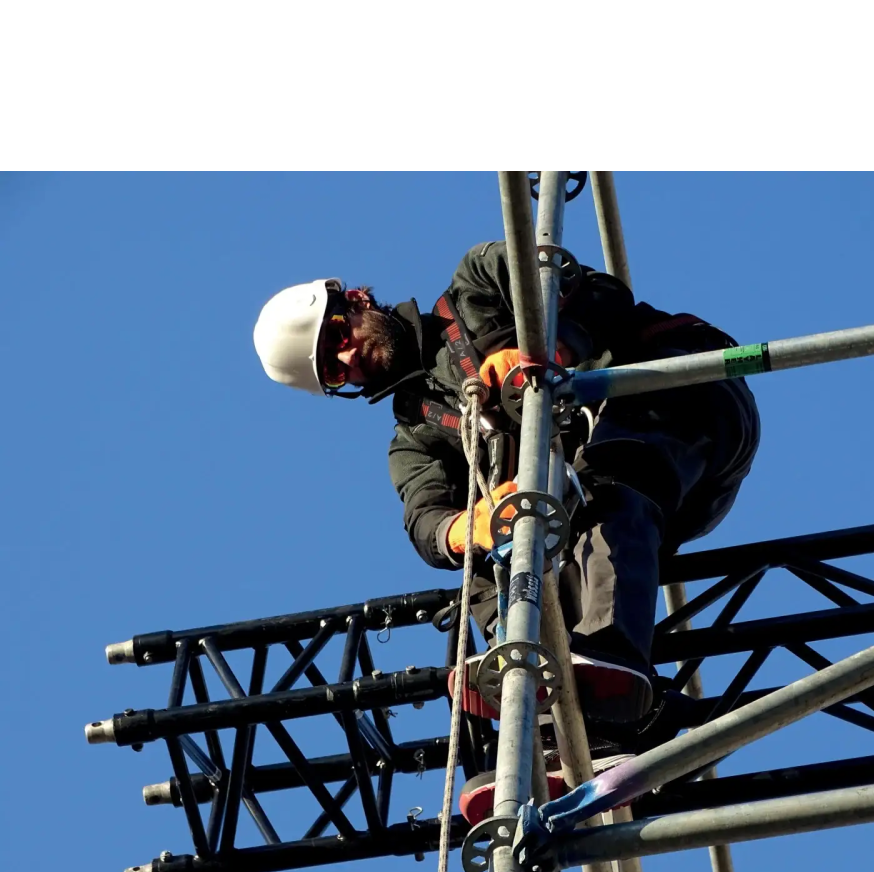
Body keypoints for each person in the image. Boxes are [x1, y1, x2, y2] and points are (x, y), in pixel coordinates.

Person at [253, 241, 760, 737]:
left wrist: (544, 348)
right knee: (487, 552)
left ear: (358, 300)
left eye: (338, 334)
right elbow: (425, 519)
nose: (348, 359)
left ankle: (609, 650)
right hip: (655, 497)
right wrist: (466, 527)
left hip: (682, 390)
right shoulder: (417, 441)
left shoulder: (476, 285)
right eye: (333, 372)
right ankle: (559, 713)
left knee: (606, 475)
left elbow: (601, 294)